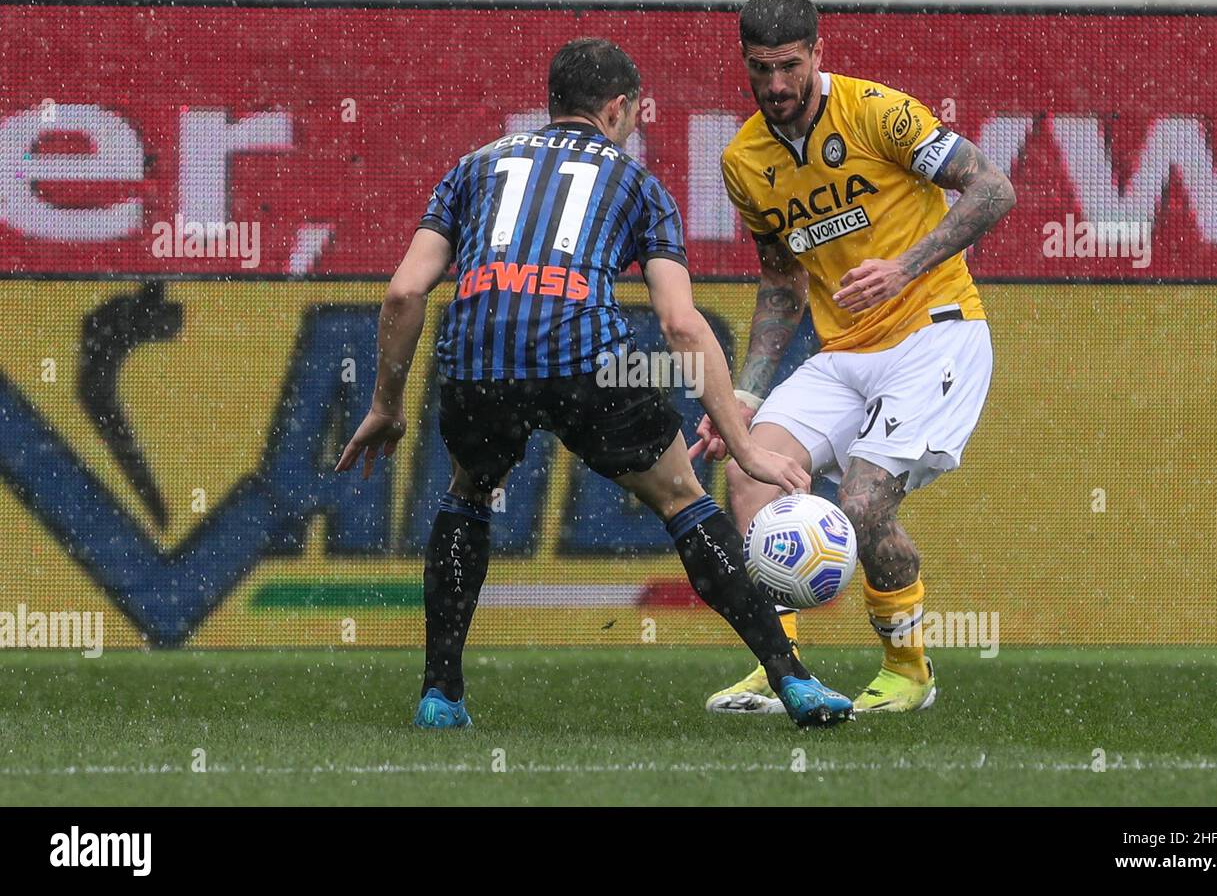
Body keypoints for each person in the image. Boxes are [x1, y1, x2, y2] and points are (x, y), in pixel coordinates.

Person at [336, 37, 855, 729]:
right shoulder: (638, 185)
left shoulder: (473, 167)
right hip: (597, 363)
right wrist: (747, 446)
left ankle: (441, 694)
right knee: (682, 499)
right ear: (616, 108)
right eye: (636, 113)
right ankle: (792, 680)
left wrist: (385, 405)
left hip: (478, 357)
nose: (635, 124)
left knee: (469, 494)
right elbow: (681, 327)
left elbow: (404, 292)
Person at [693, 0, 1015, 714]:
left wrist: (907, 264)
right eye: (760, 69)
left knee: (864, 504)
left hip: (937, 331)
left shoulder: (879, 113)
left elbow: (993, 189)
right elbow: (782, 286)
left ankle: (908, 672)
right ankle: (786, 672)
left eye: (789, 66)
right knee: (750, 475)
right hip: (846, 352)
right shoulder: (744, 160)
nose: (776, 85)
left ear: (818, 54)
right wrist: (741, 399)